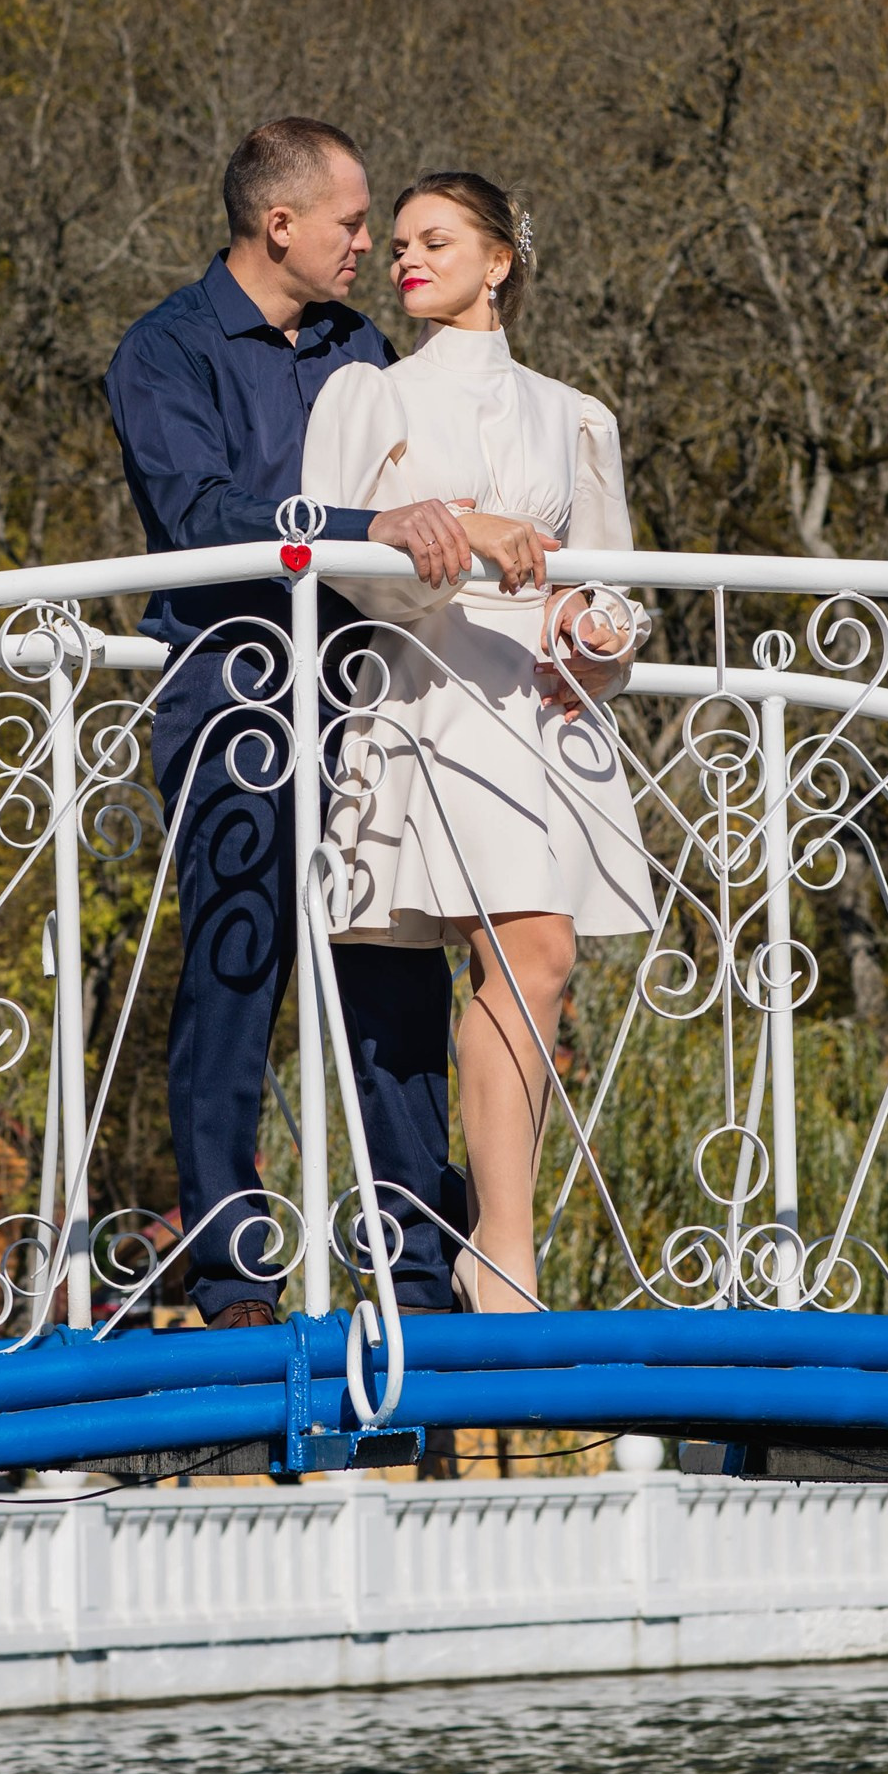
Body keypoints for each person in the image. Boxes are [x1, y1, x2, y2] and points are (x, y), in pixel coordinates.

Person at [103, 119, 544, 1327]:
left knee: (390, 968)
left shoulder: (357, 343)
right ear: (277, 224)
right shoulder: (165, 350)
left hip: (366, 689)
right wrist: (366, 525)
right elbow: (200, 514)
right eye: (353, 223)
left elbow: (411, 490)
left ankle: (413, 1257)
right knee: (236, 966)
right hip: (233, 692)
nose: (371, 245)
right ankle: (230, 1263)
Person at [301, 171, 652, 1312]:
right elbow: (334, 563)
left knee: (535, 964)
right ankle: (502, 1247)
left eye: (433, 239)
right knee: (530, 952)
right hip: (435, 694)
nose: (405, 258)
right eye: (396, 242)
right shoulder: (366, 395)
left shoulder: (575, 413)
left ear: (498, 260)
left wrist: (597, 634)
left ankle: (500, 1241)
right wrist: (461, 533)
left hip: (546, 708)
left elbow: (616, 583)